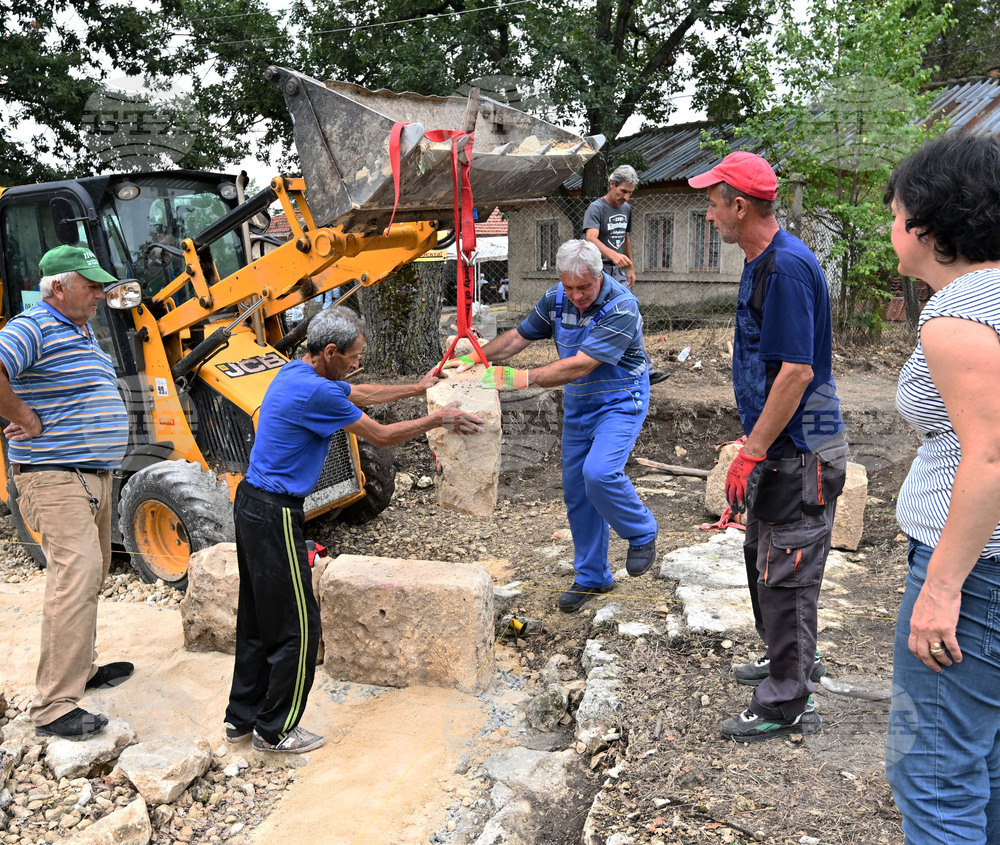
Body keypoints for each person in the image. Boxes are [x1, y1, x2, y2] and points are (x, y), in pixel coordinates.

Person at [225, 306, 483, 753]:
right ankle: (275, 729)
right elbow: (381, 436)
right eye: (353, 356)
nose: (356, 363)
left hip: (249, 504)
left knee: (255, 617)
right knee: (298, 627)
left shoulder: (295, 372)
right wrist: (438, 419)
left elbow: (358, 392)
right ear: (328, 351)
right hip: (276, 514)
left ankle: (241, 719)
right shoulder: (318, 395)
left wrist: (418, 386)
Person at [687, 152, 848, 742]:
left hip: (801, 444)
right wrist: (754, 436)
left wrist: (754, 450)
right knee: (765, 556)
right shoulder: (761, 261)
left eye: (711, 203)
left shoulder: (783, 269)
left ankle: (787, 697)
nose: (707, 215)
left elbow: (796, 373)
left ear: (740, 205)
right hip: (783, 437)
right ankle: (790, 659)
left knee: (788, 570)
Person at [882, 133, 1000, 844]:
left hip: (979, 574)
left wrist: (943, 587)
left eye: (894, 213)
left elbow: (989, 458)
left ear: (925, 224)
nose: (889, 230)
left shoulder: (958, 315)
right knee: (983, 761)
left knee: (933, 776)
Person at [447, 239, 658, 612]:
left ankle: (641, 531)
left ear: (599, 276)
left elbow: (580, 364)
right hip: (579, 402)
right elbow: (517, 338)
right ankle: (593, 577)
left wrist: (519, 379)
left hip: (620, 400)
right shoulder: (556, 298)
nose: (575, 295)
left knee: (600, 473)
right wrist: (473, 357)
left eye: (583, 287)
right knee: (578, 491)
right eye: (569, 286)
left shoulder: (621, 305)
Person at [0, 245, 133, 741]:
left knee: (90, 575)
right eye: (92, 285)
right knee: (73, 579)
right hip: (54, 476)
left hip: (90, 473)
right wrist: (24, 417)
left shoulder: (77, 330)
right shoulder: (31, 325)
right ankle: (54, 706)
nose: (101, 293)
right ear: (59, 287)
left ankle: (79, 669)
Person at [583, 165, 668, 386]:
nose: (626, 196)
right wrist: (613, 256)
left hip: (619, 272)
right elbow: (590, 238)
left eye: (630, 192)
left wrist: (630, 267)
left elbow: (625, 237)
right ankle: (591, 370)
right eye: (623, 191)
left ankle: (645, 370)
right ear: (612, 185)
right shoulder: (596, 208)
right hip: (599, 272)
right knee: (596, 320)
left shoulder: (626, 208)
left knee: (632, 317)